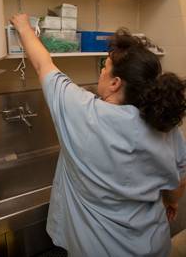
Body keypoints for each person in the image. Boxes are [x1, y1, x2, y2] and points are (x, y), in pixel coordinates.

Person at [10, 13, 186, 257]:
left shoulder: (82, 111)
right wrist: (172, 201)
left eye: (105, 67)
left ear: (115, 83)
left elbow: (43, 65)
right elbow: (178, 183)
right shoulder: (167, 127)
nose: (102, 71)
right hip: (153, 245)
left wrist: (23, 26)